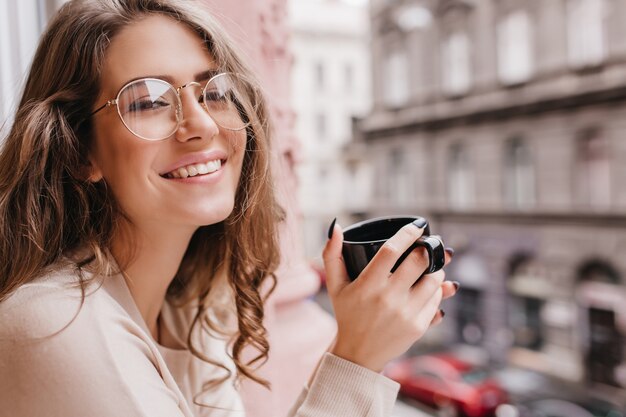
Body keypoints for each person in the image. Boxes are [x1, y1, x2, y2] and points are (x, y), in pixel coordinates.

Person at [0, 0, 458, 416]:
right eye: (149, 102)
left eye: (214, 93)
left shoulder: (191, 307)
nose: (199, 124)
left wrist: (360, 348)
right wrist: (356, 360)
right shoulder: (55, 326)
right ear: (79, 150)